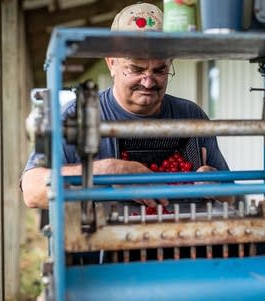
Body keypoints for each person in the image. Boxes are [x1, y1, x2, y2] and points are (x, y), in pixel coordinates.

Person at [21, 2, 231, 209]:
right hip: (105, 240)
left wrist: (216, 186)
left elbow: (230, 197)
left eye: (159, 70)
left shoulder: (190, 116)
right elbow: (32, 191)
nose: (148, 82)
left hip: (180, 235)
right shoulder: (74, 117)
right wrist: (107, 170)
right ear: (111, 63)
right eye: (136, 69)